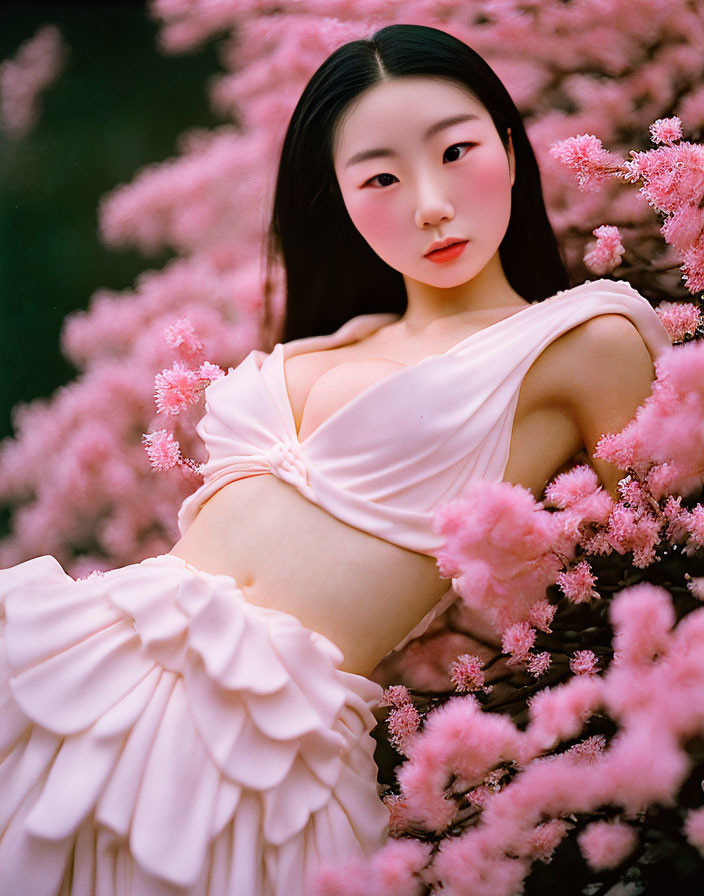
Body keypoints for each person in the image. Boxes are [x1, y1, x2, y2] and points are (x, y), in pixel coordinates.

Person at [0, 23, 672, 896]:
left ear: (510, 151)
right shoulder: (326, 343)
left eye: (456, 151)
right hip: (76, 668)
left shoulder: (584, 339)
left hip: (252, 756)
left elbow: (659, 573)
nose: (430, 202)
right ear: (344, 201)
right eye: (382, 177)